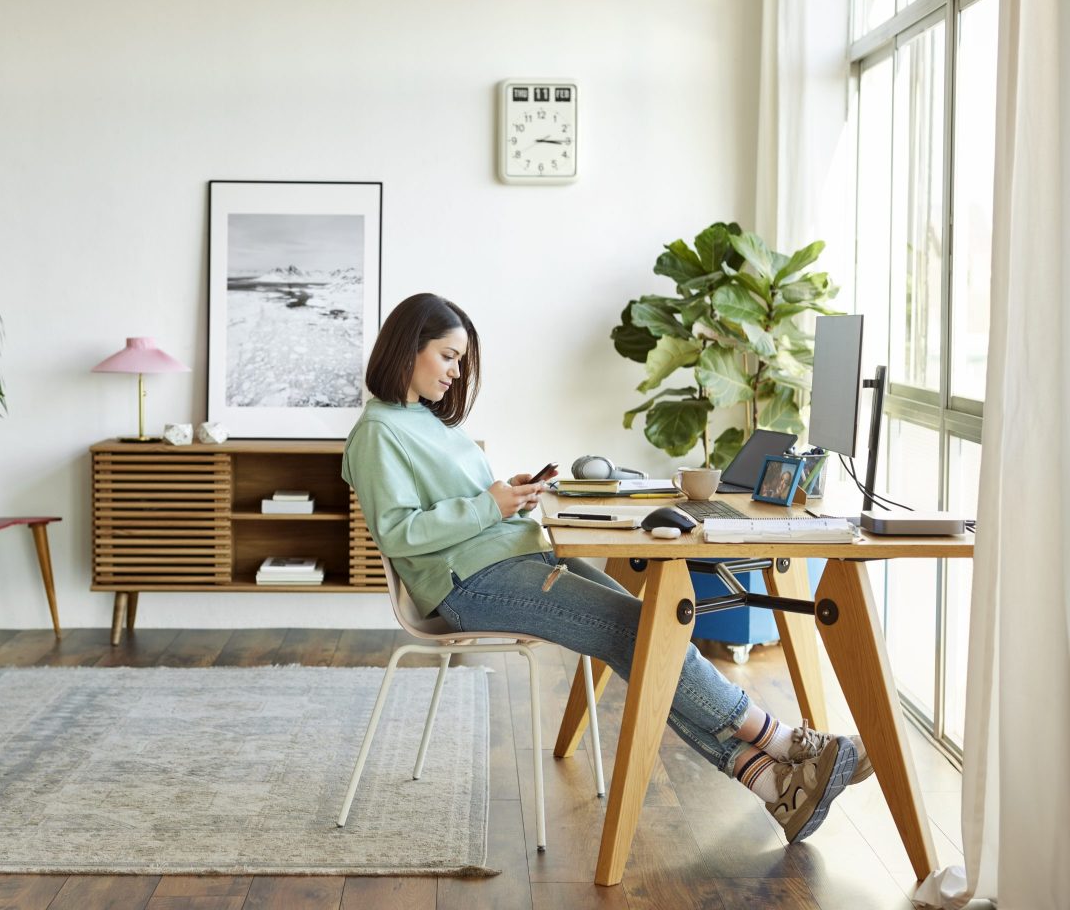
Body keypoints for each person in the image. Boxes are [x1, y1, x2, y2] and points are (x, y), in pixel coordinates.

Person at [340, 293, 872, 844]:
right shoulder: (378, 433)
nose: (456, 372)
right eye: (448, 356)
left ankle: (771, 785)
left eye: (460, 360)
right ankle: (786, 743)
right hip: (468, 583)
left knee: (645, 636)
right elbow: (400, 533)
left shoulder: (424, 420)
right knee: (641, 631)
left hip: (509, 556)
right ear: (409, 349)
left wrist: (507, 496)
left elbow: (453, 503)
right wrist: (489, 506)